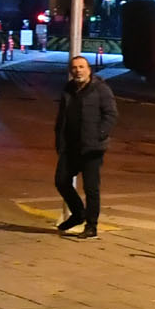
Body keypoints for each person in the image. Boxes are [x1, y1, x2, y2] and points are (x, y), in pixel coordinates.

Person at [53, 53, 117, 237]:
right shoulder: (69, 89)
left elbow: (111, 115)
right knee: (61, 181)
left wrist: (99, 135)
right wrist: (59, 139)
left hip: (92, 148)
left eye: (81, 67)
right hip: (70, 147)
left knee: (91, 188)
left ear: (89, 70)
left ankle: (91, 226)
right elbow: (62, 117)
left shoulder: (100, 89)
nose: (78, 70)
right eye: (74, 68)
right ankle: (78, 213)